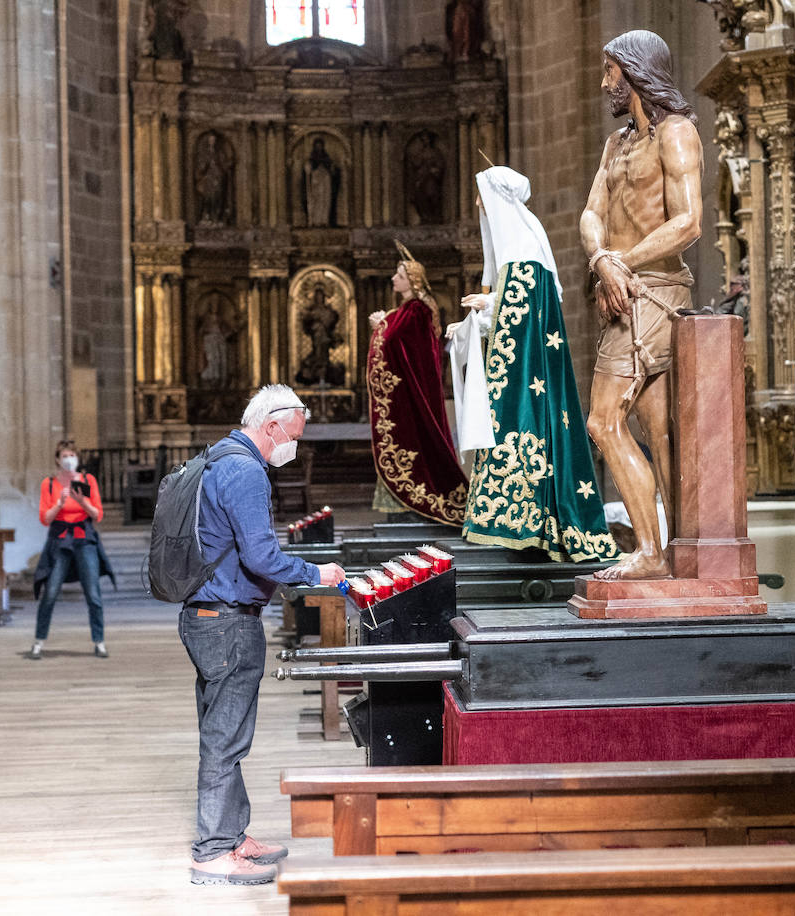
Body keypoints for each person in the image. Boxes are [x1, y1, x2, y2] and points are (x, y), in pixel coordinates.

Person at [181, 384, 346, 887]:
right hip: (227, 621)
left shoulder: (219, 456)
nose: (291, 448)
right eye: (291, 436)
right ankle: (212, 852)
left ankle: (232, 836)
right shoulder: (246, 469)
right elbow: (261, 557)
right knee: (224, 739)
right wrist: (319, 574)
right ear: (271, 424)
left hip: (208, 616)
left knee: (225, 733)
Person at [579, 29, 704, 581]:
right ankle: (677, 553)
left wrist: (622, 262)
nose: (605, 83)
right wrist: (602, 257)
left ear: (633, 72)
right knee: (658, 433)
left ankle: (652, 553)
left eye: (611, 72)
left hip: (654, 293)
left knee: (604, 422)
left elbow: (689, 222)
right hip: (620, 292)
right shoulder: (617, 144)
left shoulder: (675, 134)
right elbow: (590, 214)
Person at [448, 166, 616, 561]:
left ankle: (532, 524)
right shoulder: (517, 250)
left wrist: (486, 306)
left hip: (526, 377)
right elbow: (509, 309)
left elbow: (520, 312)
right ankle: (520, 525)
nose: (477, 205)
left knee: (524, 429)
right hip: (520, 371)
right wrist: (474, 318)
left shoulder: (523, 248)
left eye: (481, 196)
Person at [366, 242, 468, 527]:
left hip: (412, 394)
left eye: (398, 275)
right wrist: (387, 322)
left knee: (415, 441)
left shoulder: (416, 310)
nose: (393, 279)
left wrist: (382, 324)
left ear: (411, 279)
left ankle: (415, 505)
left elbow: (397, 340)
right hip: (408, 392)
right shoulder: (413, 309)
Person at [31, 440, 115, 659]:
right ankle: (39, 641)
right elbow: (44, 518)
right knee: (50, 593)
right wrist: (59, 503)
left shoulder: (88, 480)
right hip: (60, 539)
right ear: (58, 459)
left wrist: (82, 501)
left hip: (83, 537)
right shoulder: (49, 484)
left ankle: (99, 641)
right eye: (65, 455)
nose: (69, 459)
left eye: (72, 455)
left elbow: (97, 515)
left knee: (93, 593)